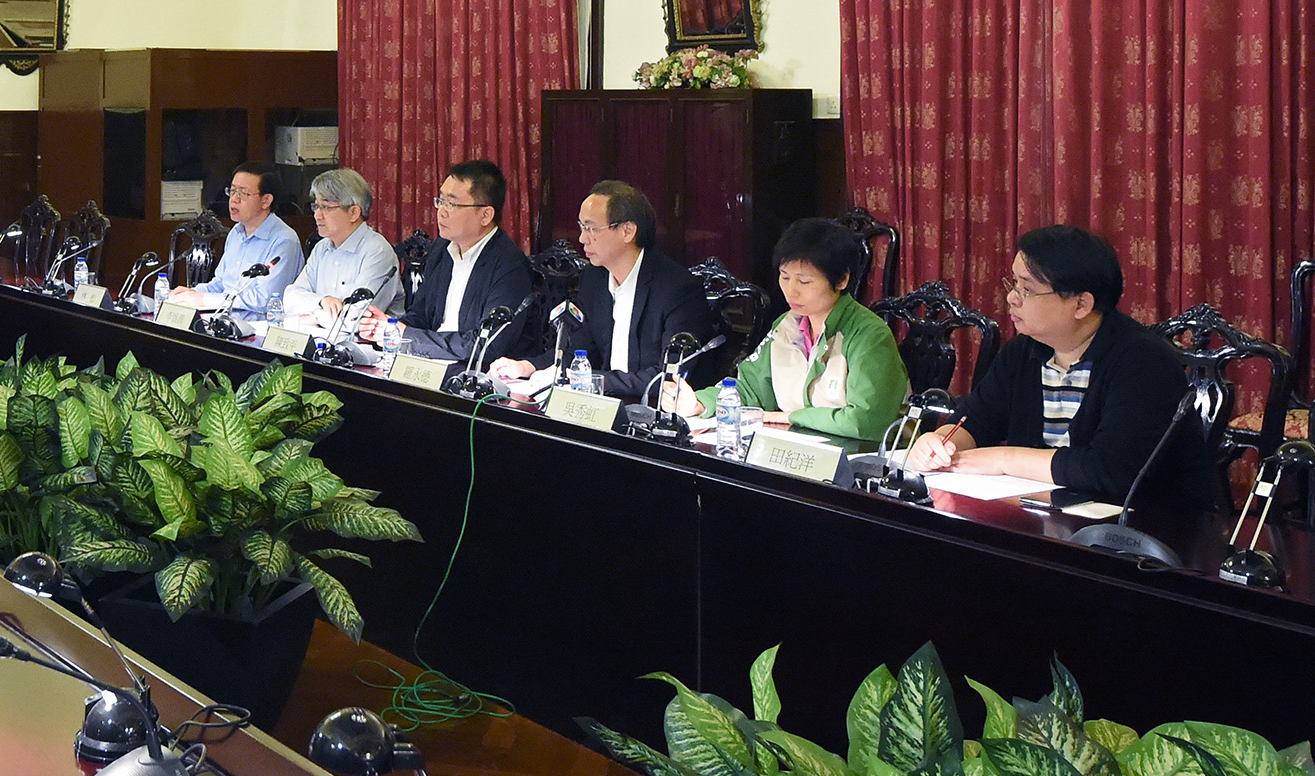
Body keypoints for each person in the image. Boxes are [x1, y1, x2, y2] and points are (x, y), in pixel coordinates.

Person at [906, 225, 1215, 507]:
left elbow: (1107, 470)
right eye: (1013, 283)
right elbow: (974, 423)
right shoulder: (1022, 352)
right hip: (1051, 520)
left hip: (1149, 528)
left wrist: (1002, 459)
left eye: (1027, 289)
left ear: (1081, 304)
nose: (1012, 298)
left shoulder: (1143, 362)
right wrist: (939, 443)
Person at [663, 217, 909, 443]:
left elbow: (867, 420)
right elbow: (750, 389)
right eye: (785, 277)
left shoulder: (869, 335)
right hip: (796, 449)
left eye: (804, 281)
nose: (792, 291)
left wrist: (793, 417)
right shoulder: (786, 325)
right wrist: (700, 403)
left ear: (842, 280)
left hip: (863, 457)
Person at [491, 181, 714, 396]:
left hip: (656, 409)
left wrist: (586, 379)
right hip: (604, 401)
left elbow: (668, 378)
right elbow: (580, 350)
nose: (582, 238)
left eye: (591, 228)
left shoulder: (677, 289)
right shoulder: (594, 278)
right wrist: (527, 366)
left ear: (627, 231)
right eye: (581, 227)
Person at [358, 159, 532, 362]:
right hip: (431, 361)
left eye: (452, 204)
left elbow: (487, 345)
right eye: (440, 201)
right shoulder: (442, 249)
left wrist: (408, 336)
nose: (441, 211)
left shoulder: (510, 266)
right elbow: (421, 315)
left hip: (478, 370)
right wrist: (389, 328)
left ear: (486, 215)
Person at [166, 162, 304, 317]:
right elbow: (221, 284)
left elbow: (264, 300)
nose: (234, 199)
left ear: (266, 201)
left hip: (259, 325)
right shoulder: (236, 233)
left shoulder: (284, 241)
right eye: (232, 191)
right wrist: (190, 293)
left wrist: (204, 299)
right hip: (226, 319)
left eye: (243, 193)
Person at [282, 167, 403, 322]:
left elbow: (358, 317)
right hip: (320, 334)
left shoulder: (377, 251)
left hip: (365, 337)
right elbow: (291, 298)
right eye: (316, 206)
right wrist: (322, 301)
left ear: (354, 213)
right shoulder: (322, 248)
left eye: (326, 207)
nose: (317, 215)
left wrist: (313, 318)